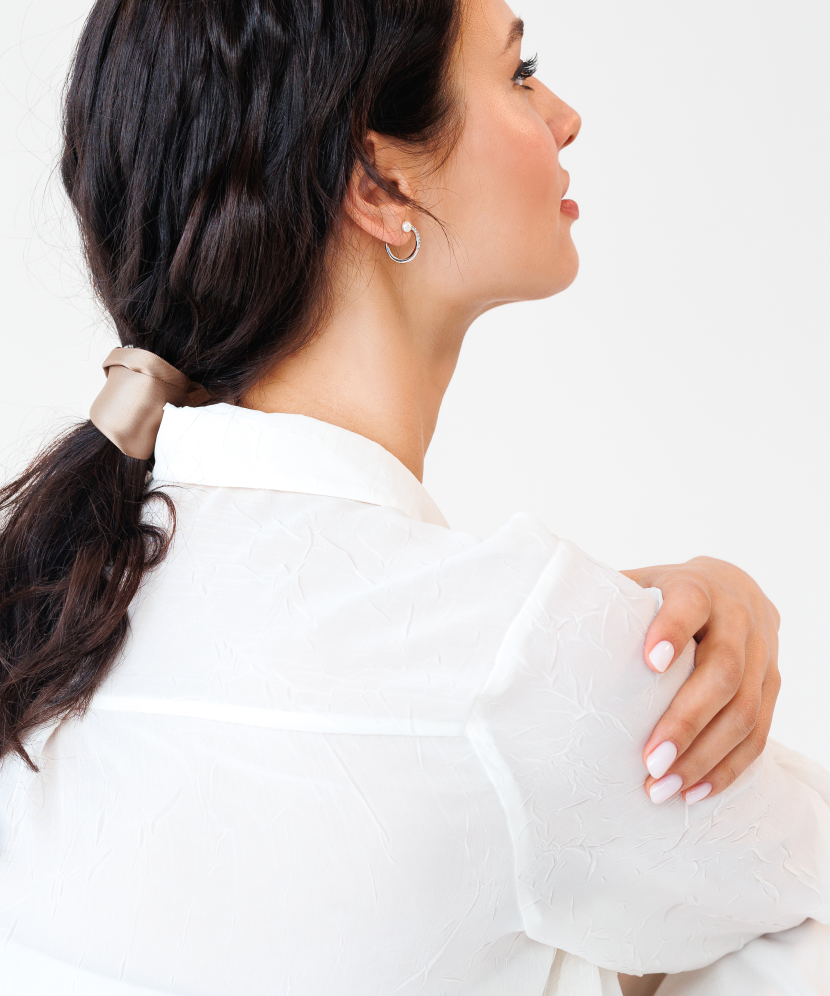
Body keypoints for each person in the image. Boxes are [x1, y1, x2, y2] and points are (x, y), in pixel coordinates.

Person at [0, 0, 827, 993]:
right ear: (379, 179)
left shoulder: (54, 608)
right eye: (520, 72)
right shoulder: (517, 658)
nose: (562, 116)